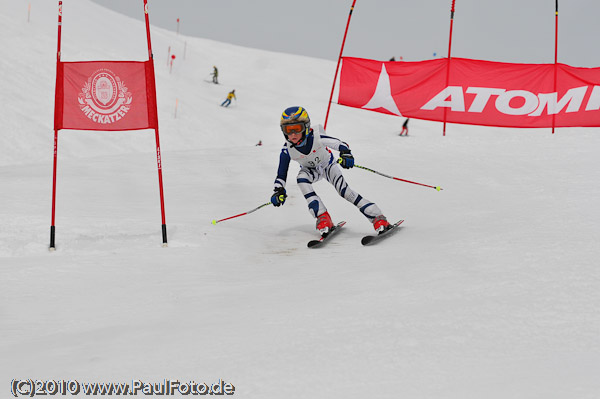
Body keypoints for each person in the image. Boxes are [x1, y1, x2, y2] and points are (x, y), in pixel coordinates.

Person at [270, 106, 391, 235]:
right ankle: (322, 217)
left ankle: (378, 217)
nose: (292, 134)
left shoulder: (316, 137)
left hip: (328, 165)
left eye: (297, 129)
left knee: (345, 192)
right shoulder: (287, 150)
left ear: (305, 127)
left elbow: (340, 144)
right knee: (301, 179)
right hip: (310, 170)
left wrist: (346, 154)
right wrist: (278, 190)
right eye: (288, 130)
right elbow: (281, 173)